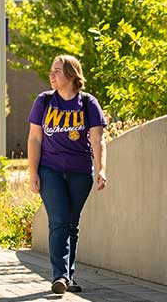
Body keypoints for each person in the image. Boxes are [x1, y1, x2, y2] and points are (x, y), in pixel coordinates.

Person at [27, 54, 107, 294]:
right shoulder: (44, 101)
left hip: (80, 172)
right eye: (52, 71)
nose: (52, 75)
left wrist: (102, 168)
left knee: (72, 224)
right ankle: (59, 276)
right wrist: (33, 172)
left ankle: (68, 278)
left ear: (72, 75)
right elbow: (34, 138)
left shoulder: (88, 103)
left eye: (58, 71)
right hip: (50, 170)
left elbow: (97, 139)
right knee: (59, 220)